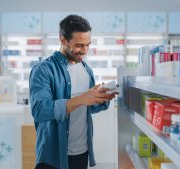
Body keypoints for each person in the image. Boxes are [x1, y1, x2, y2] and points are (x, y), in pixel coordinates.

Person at [29, 14, 117, 169]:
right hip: (53, 156)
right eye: (79, 45)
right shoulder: (43, 70)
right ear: (63, 40)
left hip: (81, 152)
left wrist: (101, 99)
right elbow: (39, 110)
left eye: (88, 45)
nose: (84, 51)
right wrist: (83, 98)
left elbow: (86, 109)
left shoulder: (86, 70)